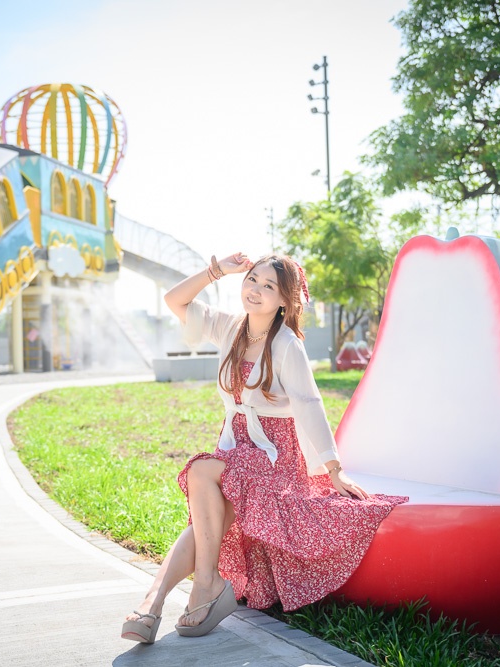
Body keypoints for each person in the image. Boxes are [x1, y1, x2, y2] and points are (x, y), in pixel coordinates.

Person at [121, 252, 408, 644]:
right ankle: (156, 602)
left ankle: (198, 587)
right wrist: (217, 271)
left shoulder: (287, 343)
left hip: (275, 455)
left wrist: (334, 468)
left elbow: (309, 404)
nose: (254, 290)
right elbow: (176, 300)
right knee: (210, 513)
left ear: (285, 301)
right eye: (251, 280)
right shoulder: (230, 328)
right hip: (235, 446)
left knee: (203, 470)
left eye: (267, 286)